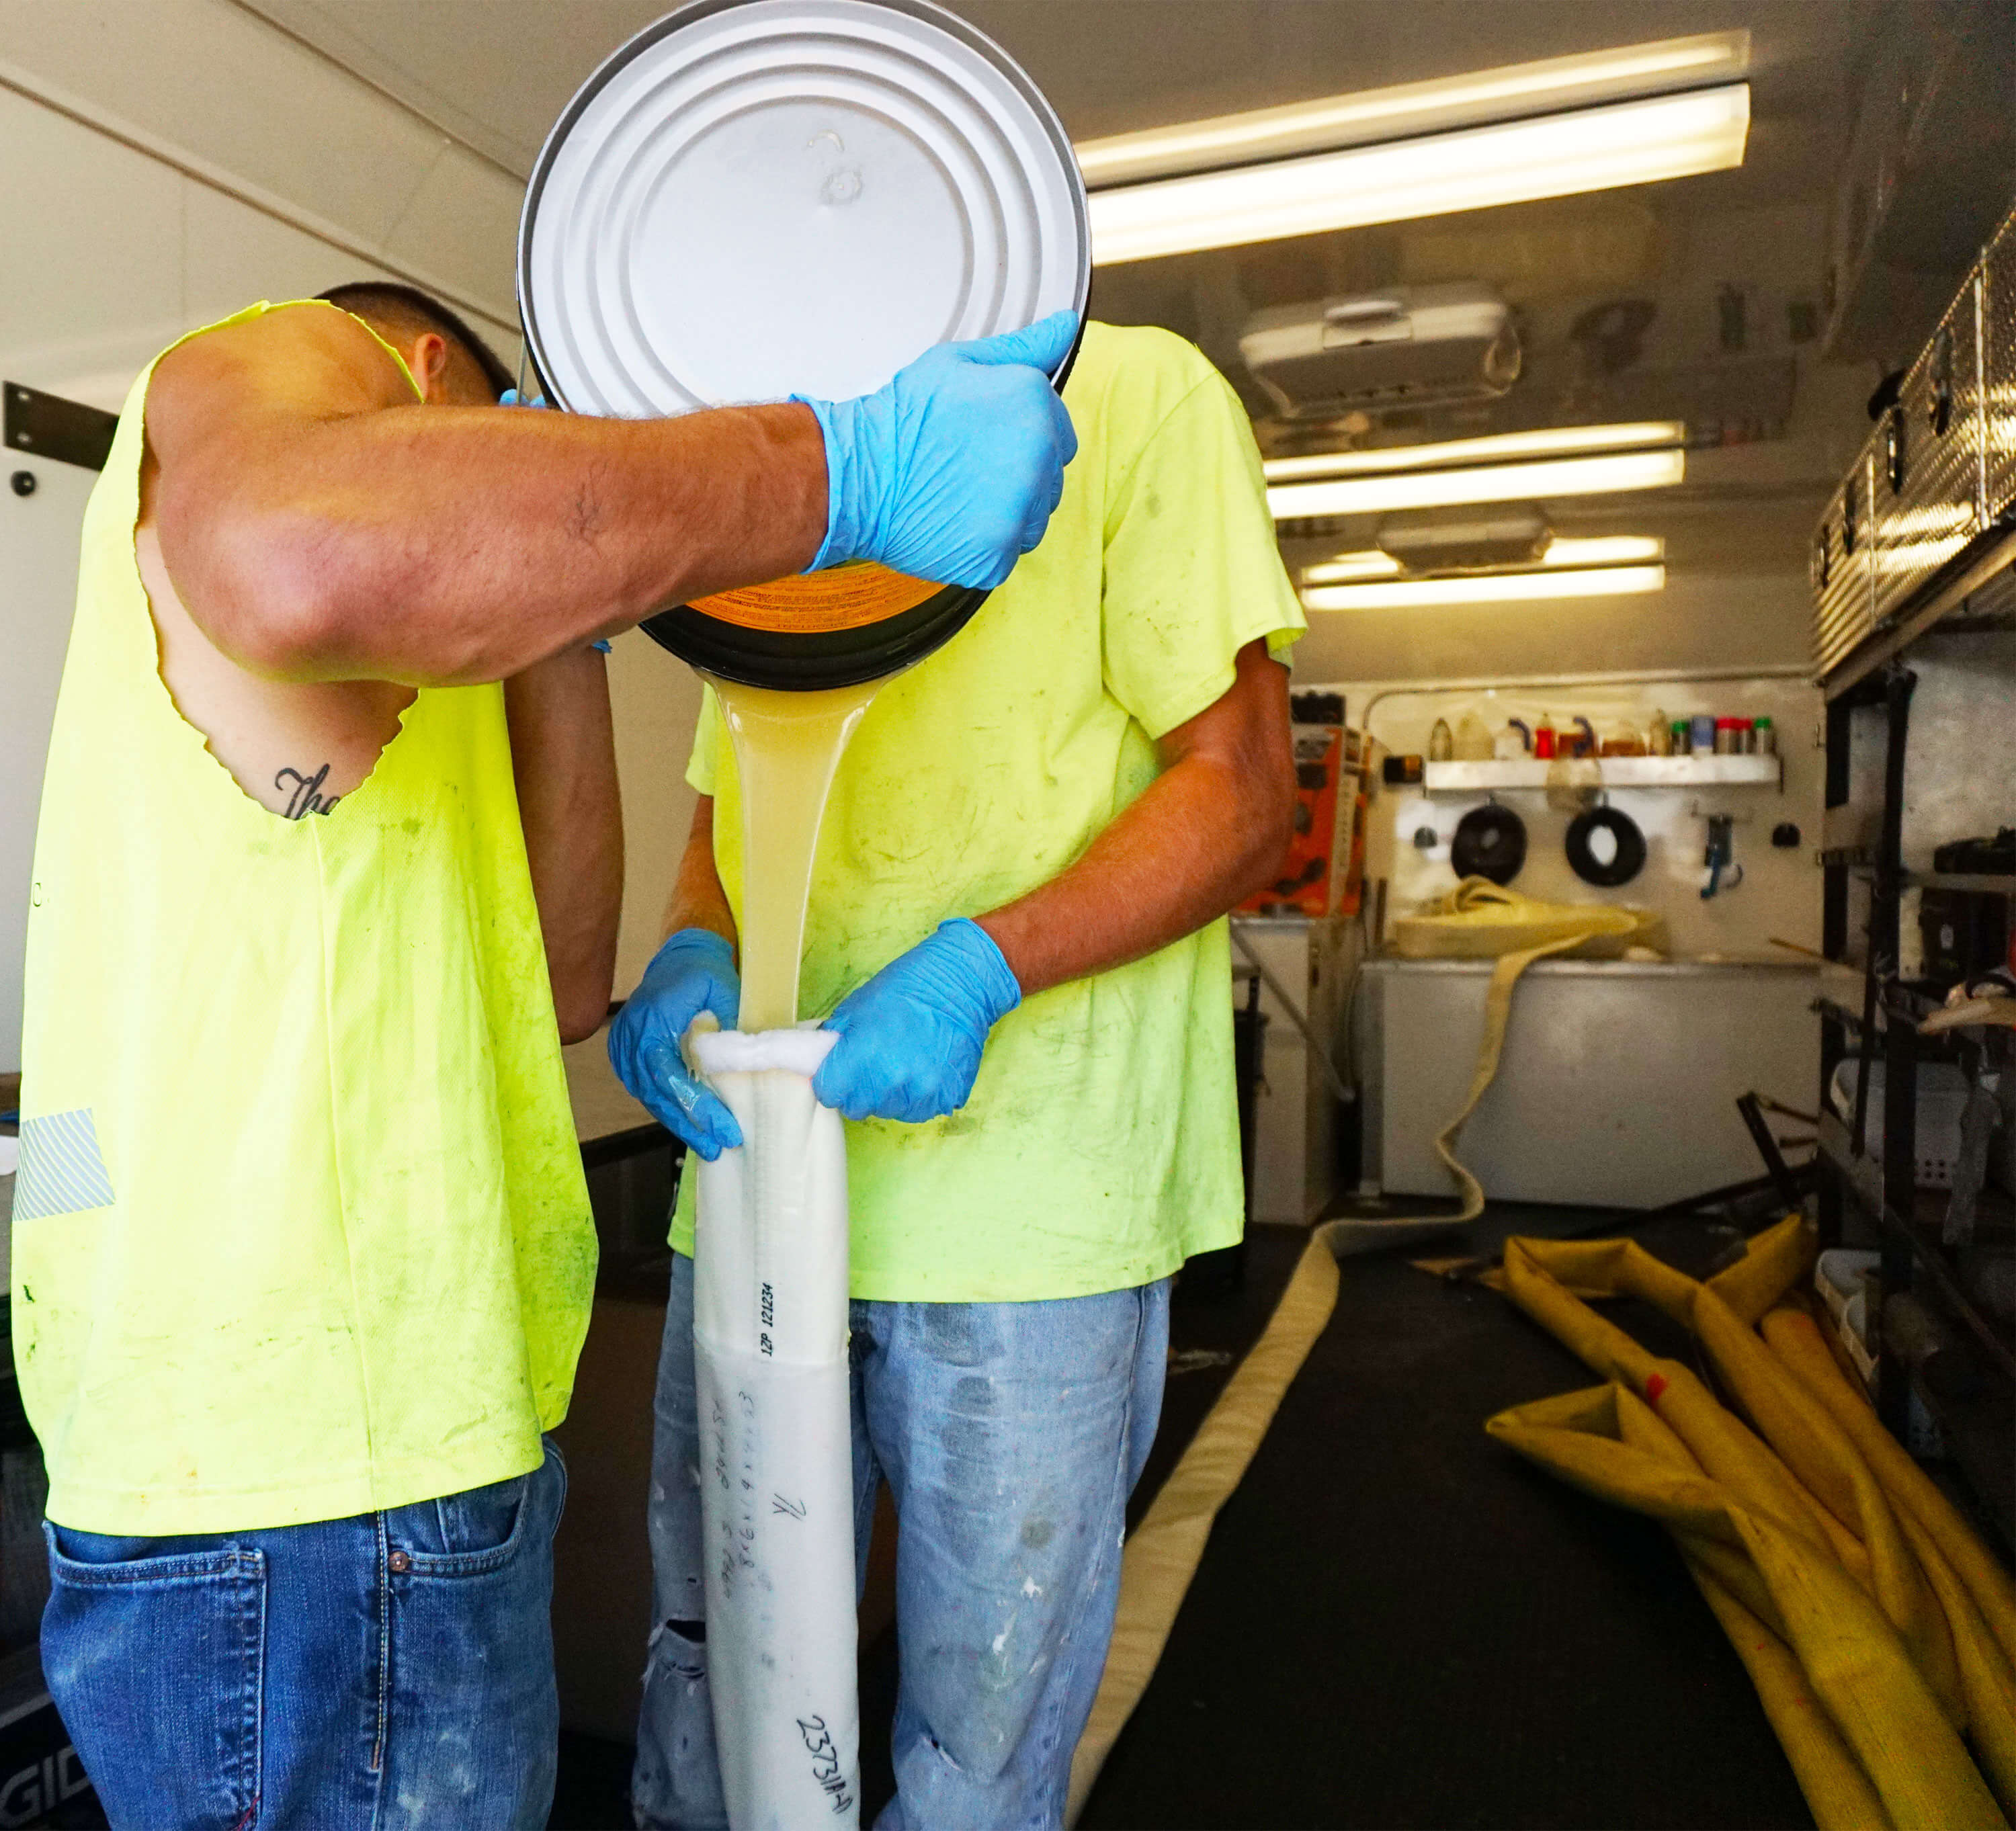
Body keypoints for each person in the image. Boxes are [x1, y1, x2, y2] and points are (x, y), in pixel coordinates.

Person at [11, 280, 1078, 1831]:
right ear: (430, 370)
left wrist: (559, 607)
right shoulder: (290, 356)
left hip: (400, 1440)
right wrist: (842, 474)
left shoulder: (428, 656)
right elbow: (295, 549)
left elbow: (568, 971)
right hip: (304, 1470)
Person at [611, 318, 1304, 1830]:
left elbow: (1248, 794)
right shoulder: (768, 434)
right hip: (755, 1180)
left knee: (975, 1750)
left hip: (1029, 1220)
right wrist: (692, 955)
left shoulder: (1136, 397)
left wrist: (983, 964)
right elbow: (714, 836)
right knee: (709, 1680)